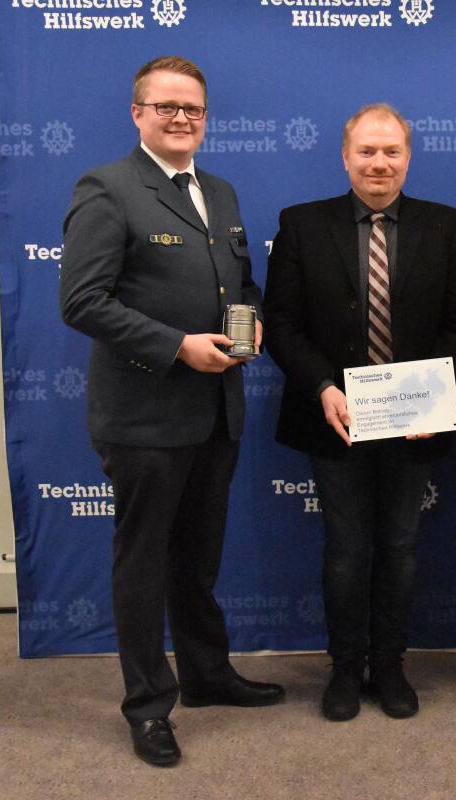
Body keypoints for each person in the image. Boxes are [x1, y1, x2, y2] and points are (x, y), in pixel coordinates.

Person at [60, 56, 284, 767]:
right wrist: (176, 346)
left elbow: (240, 283)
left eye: (193, 108)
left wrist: (251, 322)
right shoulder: (107, 188)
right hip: (145, 416)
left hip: (216, 410)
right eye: (166, 107)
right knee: (144, 564)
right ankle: (148, 705)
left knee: (198, 558)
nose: (181, 118)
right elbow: (82, 302)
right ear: (138, 113)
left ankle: (207, 675)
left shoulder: (218, 190)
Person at [264, 103, 456, 722]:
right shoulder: (302, 224)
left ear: (408, 158)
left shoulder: (447, 226)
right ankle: (343, 668)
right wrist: (322, 387)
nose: (379, 162)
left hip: (415, 421)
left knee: (401, 547)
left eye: (391, 151)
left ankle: (389, 666)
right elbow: (282, 323)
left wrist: (430, 394)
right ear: (345, 157)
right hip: (335, 418)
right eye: (366, 151)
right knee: (346, 549)